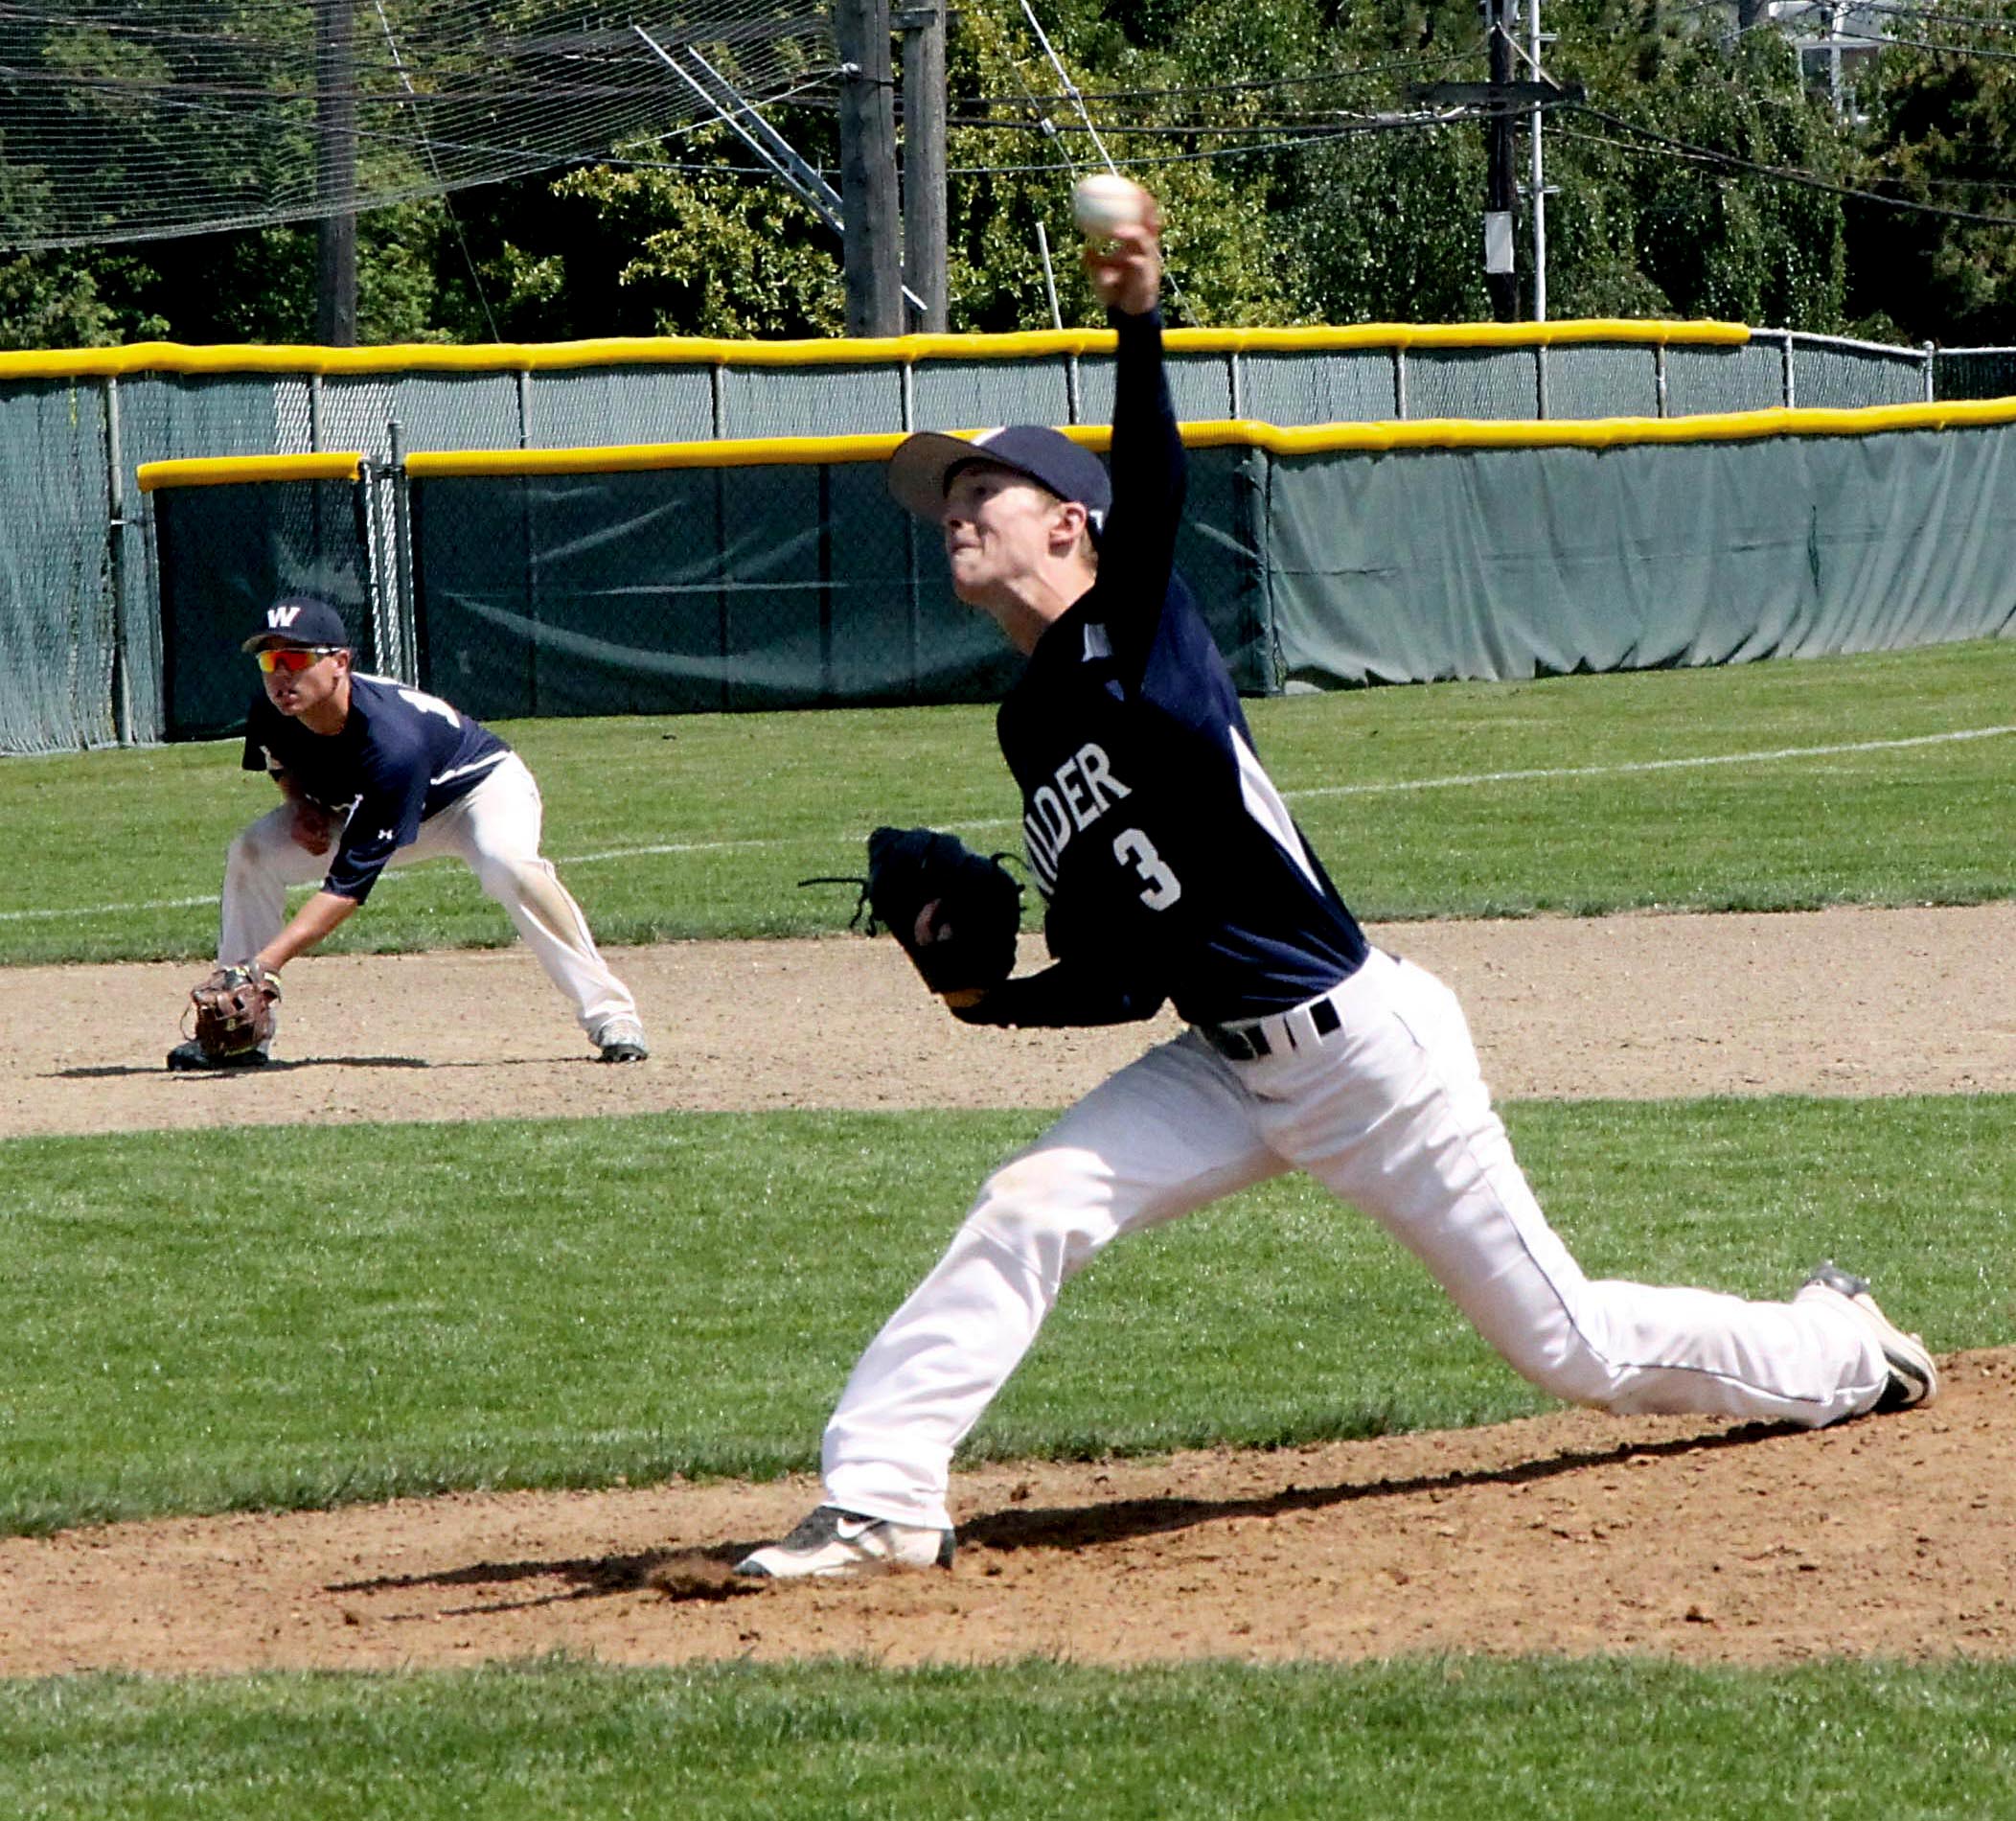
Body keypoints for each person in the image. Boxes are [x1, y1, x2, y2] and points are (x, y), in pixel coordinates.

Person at [732, 189, 1938, 1580]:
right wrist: (987, 1001)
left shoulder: (1142, 635)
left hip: (1369, 1058)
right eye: (946, 498)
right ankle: (882, 1499)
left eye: (980, 491)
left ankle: (1842, 1345)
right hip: (1221, 1066)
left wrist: (1138, 321)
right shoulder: (1029, 726)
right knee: (1029, 1205)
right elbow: (1127, 971)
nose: (953, 512)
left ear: (1071, 524)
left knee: (1572, 1346)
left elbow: (1160, 480)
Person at [167, 595, 649, 1069]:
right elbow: (284, 765)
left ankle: (612, 1016)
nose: (281, 674)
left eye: (295, 657)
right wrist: (302, 804)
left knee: (509, 866)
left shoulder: (392, 740)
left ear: (339, 662)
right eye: (270, 659)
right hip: (372, 804)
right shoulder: (272, 707)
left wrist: (265, 964)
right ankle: (238, 1036)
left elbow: (346, 889)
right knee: (252, 853)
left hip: (474, 793)